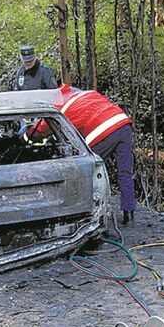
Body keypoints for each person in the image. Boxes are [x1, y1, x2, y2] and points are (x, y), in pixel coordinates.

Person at [26, 84, 138, 224]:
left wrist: (25, 136)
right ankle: (129, 212)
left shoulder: (61, 107)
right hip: (123, 124)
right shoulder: (88, 94)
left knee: (86, 171)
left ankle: (85, 212)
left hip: (102, 131)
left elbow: (41, 130)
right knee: (125, 172)